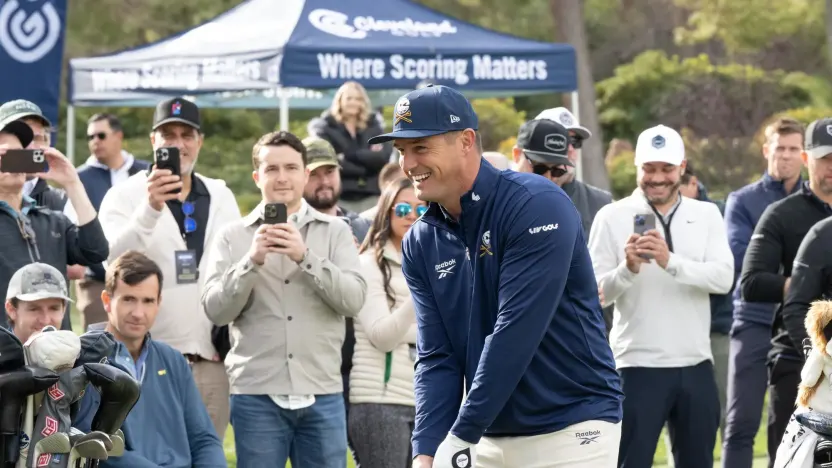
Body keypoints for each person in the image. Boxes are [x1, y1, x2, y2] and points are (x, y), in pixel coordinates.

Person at [369, 84, 623, 468]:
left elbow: (515, 330)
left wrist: (460, 433)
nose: (408, 164)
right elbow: (438, 355)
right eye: (402, 151)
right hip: (486, 435)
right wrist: (426, 451)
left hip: (572, 427)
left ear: (466, 141)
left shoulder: (537, 204)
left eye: (421, 147)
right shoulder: (421, 241)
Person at [201, 130, 366, 468]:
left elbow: (353, 301)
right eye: (271, 168)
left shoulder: (335, 231)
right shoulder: (233, 237)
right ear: (256, 176)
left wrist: (306, 256)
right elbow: (216, 311)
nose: (282, 177)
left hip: (322, 391)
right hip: (255, 394)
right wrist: (251, 261)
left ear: (305, 174)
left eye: (291, 168)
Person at [589, 125, 733, 468]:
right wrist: (627, 269)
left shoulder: (706, 214)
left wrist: (670, 262)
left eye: (666, 169)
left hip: (696, 366)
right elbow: (593, 296)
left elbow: (723, 279)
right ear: (637, 167)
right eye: (649, 169)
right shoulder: (611, 216)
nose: (657, 178)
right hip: (635, 368)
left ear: (682, 167)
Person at [97, 97, 239, 441]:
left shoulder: (219, 195)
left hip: (211, 360)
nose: (178, 143)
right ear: (153, 142)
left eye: (186, 135)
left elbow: (238, 263)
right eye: (168, 135)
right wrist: (150, 207)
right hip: (147, 357)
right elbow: (108, 258)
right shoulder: (124, 196)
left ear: (200, 141)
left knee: (207, 455)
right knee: (151, 454)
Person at [75, 250, 226, 467]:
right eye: (129, 299)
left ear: (159, 302)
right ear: (107, 300)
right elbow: (91, 444)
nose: (139, 312)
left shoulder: (172, 360)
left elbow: (204, 439)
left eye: (148, 301)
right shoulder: (86, 360)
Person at [740, 117, 832, 463]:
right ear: (807, 160)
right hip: (798, 361)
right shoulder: (781, 214)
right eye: (824, 158)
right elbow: (751, 282)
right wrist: (804, 283)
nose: (831, 166)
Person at [721, 117, 805, 468]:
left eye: (792, 149)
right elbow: (744, 261)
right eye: (779, 148)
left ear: (803, 155)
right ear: (766, 150)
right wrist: (804, 278)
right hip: (754, 321)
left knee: (797, 426)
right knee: (741, 424)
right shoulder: (741, 201)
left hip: (803, 323)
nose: (785, 156)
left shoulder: (816, 202)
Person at [0, 109, 108, 331]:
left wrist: (72, 183)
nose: (14, 163)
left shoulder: (53, 221)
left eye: (19, 155)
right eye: (5, 156)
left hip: (56, 355)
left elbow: (96, 251)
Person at [350, 177, 423, 468]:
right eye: (403, 208)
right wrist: (423, 288)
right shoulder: (368, 264)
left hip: (429, 403)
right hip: (380, 402)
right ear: (387, 211)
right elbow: (381, 335)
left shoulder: (442, 262)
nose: (412, 216)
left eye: (422, 210)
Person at [74, 113, 150, 331]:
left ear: (118, 136)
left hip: (145, 282)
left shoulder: (146, 173)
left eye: (101, 135)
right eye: (90, 137)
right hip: (97, 282)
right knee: (98, 354)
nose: (94, 141)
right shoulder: (79, 178)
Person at [678, 162, 733, 435]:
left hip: (717, 329)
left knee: (725, 411)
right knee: (683, 420)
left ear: (693, 183)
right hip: (679, 332)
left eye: (678, 187)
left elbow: (725, 274)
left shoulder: (720, 213)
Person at [308, 81, 393, 213]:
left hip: (372, 196)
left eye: (358, 99)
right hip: (340, 197)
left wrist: (348, 155)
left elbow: (382, 158)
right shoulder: (325, 127)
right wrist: (366, 163)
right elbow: (331, 161)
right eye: (349, 98)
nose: (353, 102)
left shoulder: (375, 126)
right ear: (340, 100)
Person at [533, 106, 613, 237]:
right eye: (559, 141)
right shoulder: (511, 197)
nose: (570, 149)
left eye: (575, 142)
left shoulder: (601, 203)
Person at [0, 100, 69, 212]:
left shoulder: (62, 202)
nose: (31, 147)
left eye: (37, 138)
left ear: (47, 144)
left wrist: (73, 184)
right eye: (21, 138)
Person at [5, 262, 72, 345]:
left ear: (64, 310)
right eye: (34, 309)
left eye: (54, 308)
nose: (45, 320)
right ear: (11, 310)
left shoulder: (76, 355)